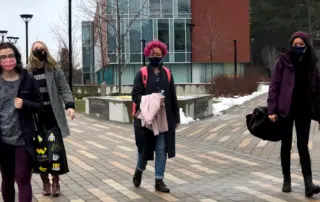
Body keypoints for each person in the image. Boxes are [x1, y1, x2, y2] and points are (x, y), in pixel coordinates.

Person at [268, 31, 320, 197]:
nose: (297, 46)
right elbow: (274, 85)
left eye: (300, 44)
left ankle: (308, 183)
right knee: (286, 145)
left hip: (304, 110)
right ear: (291, 44)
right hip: (286, 110)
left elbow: (317, 91)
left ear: (306, 44)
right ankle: (287, 179)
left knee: (303, 146)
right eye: (294, 43)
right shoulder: (283, 60)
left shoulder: (311, 63)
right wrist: (272, 110)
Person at [27, 41, 75, 197]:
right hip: (36, 116)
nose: (39, 51)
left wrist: (70, 105)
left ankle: (55, 180)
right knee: (41, 149)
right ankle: (45, 182)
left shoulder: (54, 69)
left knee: (55, 149)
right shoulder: (27, 71)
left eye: (42, 49)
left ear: (46, 50)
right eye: (36, 49)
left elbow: (64, 88)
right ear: (31, 52)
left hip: (52, 114)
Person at [131, 40, 180, 193]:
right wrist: (151, 100)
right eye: (152, 54)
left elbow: (173, 96)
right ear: (147, 54)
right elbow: (135, 95)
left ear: (163, 55)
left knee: (161, 149)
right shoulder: (142, 73)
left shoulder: (168, 73)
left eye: (158, 54)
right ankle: (139, 169)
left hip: (163, 118)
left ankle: (159, 180)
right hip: (147, 118)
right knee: (145, 149)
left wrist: (176, 117)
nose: (155, 56)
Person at [0, 42, 42, 202]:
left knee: (23, 178)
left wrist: (25, 104)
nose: (7, 60)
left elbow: (40, 106)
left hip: (23, 139)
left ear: (16, 57)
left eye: (10, 55)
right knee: (7, 179)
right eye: (3, 57)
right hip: (3, 140)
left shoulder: (28, 79)